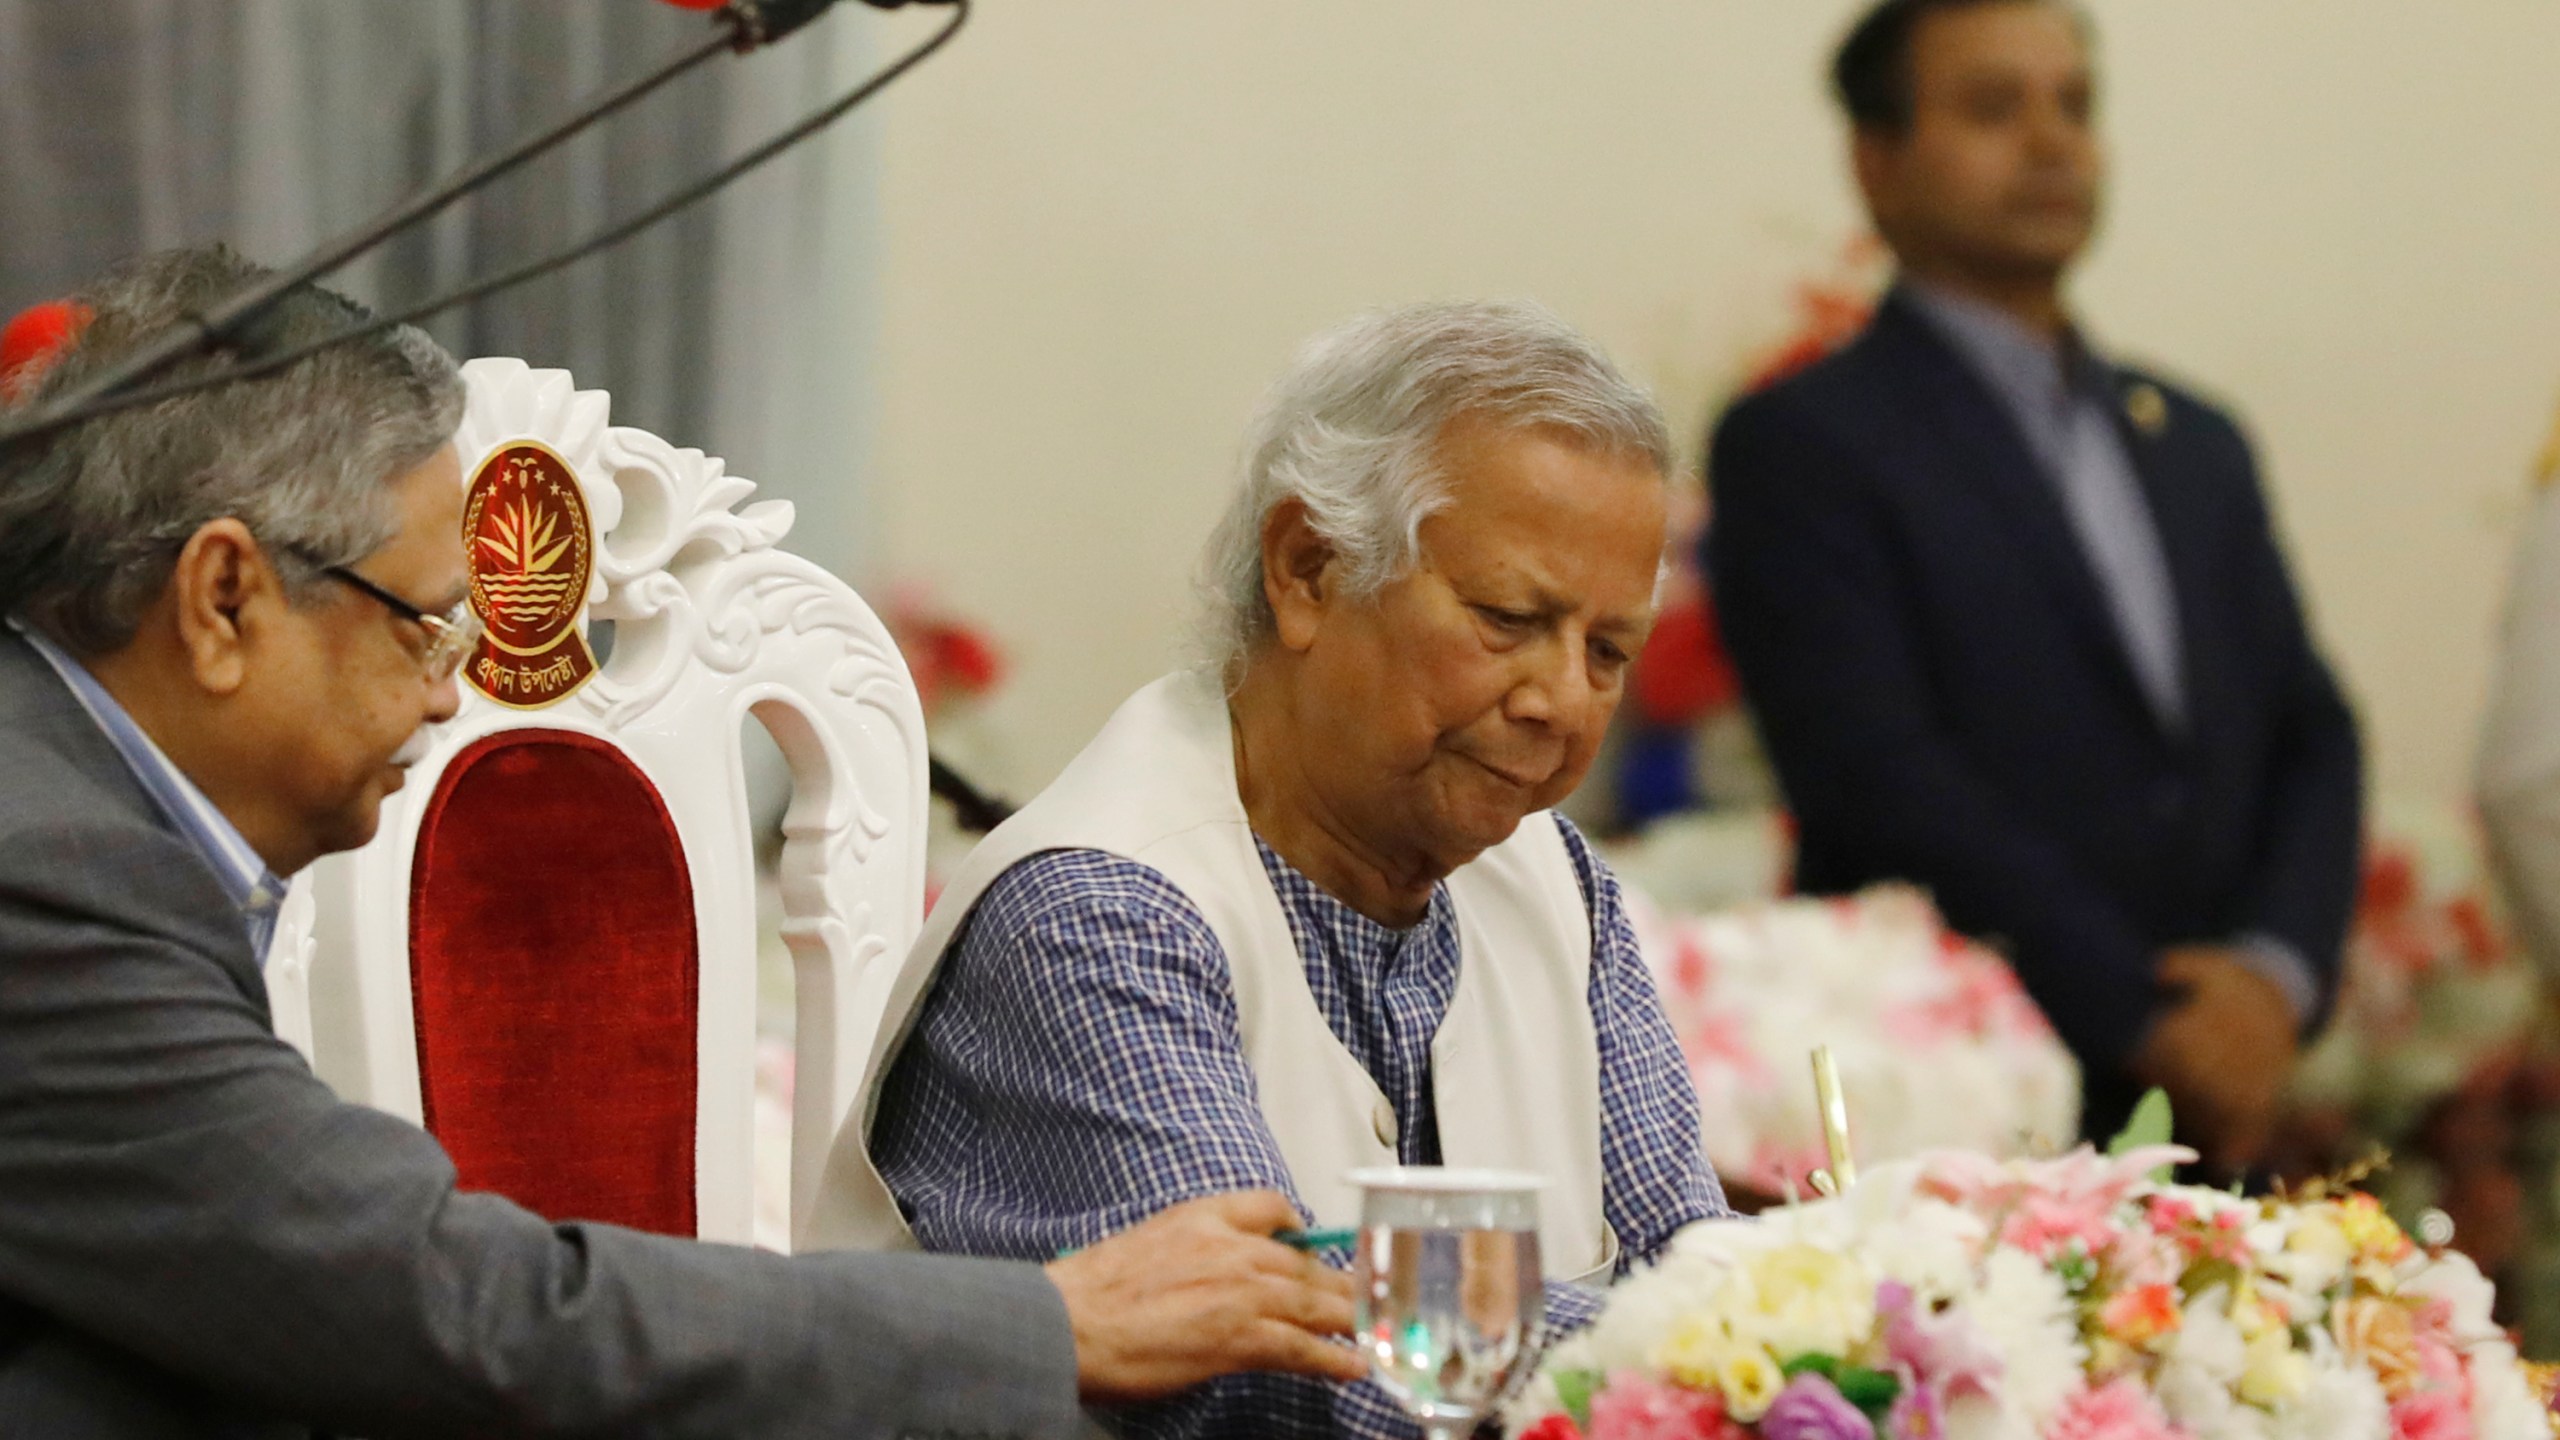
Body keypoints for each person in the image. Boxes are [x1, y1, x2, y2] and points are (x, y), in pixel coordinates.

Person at [0, 245, 1362, 1439]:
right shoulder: (48, 876)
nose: (443, 687)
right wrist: (1053, 1322)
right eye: (424, 623)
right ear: (226, 596)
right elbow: (434, 1299)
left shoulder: (71, 798)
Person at [810, 301, 1732, 1438]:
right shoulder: (1098, 913)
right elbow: (1285, 1382)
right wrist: (1688, 1371)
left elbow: (1701, 1289)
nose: (1560, 703)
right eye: (1507, 619)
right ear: (1307, 569)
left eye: (1607, 652)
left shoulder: (1554, 881)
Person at [1704, 0, 2364, 1170]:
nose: (2052, 143)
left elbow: (2310, 732)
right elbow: (1877, 774)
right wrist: (2150, 1020)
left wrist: (2270, 981)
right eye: (1994, 107)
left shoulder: (2195, 441)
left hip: (2224, 1103)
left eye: (2075, 104)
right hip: (1960, 1115)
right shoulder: (1802, 442)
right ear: (1877, 159)